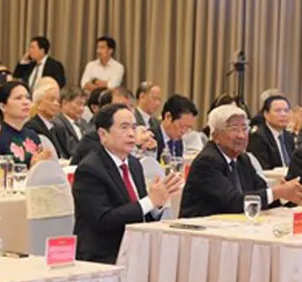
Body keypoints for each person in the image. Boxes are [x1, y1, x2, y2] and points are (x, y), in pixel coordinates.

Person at [72, 104, 180, 264]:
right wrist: (149, 201)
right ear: (103, 135)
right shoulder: (90, 169)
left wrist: (157, 205)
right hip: (104, 256)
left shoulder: (135, 164)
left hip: (135, 249)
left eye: (133, 128)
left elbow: (141, 216)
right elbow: (103, 220)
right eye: (124, 128)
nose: (131, 133)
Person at [180, 104, 302, 218]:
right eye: (234, 129)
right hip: (200, 232)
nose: (241, 135)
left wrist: (284, 195)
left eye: (244, 129)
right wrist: (277, 192)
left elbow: (261, 191)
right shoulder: (207, 161)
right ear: (215, 135)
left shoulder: (243, 159)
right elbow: (233, 202)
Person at [0, 81, 55, 167]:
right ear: (3, 106)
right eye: (18, 98)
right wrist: (31, 167)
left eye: (28, 98)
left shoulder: (33, 136)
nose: (26, 102)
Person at [247, 94, 296, 169]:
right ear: (266, 114)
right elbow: (262, 168)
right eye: (278, 111)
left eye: (286, 110)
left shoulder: (288, 136)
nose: (283, 114)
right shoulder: (258, 137)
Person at [23, 81, 68, 157]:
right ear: (39, 104)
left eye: (58, 101)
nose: (56, 104)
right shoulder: (32, 127)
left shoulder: (59, 127)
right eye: (52, 100)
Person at [150, 94, 199, 158]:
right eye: (181, 126)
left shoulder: (179, 142)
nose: (183, 131)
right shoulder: (150, 138)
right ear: (168, 117)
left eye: (188, 128)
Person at [53, 86, 89, 156]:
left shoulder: (84, 123)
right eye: (78, 104)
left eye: (83, 105)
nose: (82, 108)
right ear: (64, 103)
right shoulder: (57, 124)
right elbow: (70, 150)